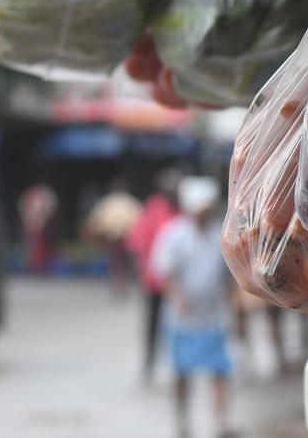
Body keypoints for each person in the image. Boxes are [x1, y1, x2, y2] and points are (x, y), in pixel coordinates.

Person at [151, 176, 236, 438]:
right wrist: (177, 296)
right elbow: (165, 272)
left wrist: (235, 306)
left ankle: (221, 424)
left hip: (213, 317)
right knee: (181, 374)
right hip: (182, 318)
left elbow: (229, 276)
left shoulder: (219, 236)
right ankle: (182, 422)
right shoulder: (174, 235)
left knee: (220, 371)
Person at [127, 170, 182, 382]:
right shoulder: (154, 208)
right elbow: (139, 239)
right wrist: (140, 268)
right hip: (154, 279)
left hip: (178, 282)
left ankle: (176, 363)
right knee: (152, 322)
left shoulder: (185, 213)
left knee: (177, 323)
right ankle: (149, 362)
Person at [84, 179, 143, 297]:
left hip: (116, 237)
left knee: (117, 263)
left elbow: (96, 220)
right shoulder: (129, 201)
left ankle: (120, 284)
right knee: (123, 263)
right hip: (123, 237)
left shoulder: (108, 201)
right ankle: (122, 284)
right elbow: (140, 219)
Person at [18, 183, 58, 275]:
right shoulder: (29, 197)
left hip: (43, 229)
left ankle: (43, 266)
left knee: (42, 249)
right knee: (30, 248)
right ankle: (31, 266)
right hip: (30, 228)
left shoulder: (46, 196)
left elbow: (51, 208)